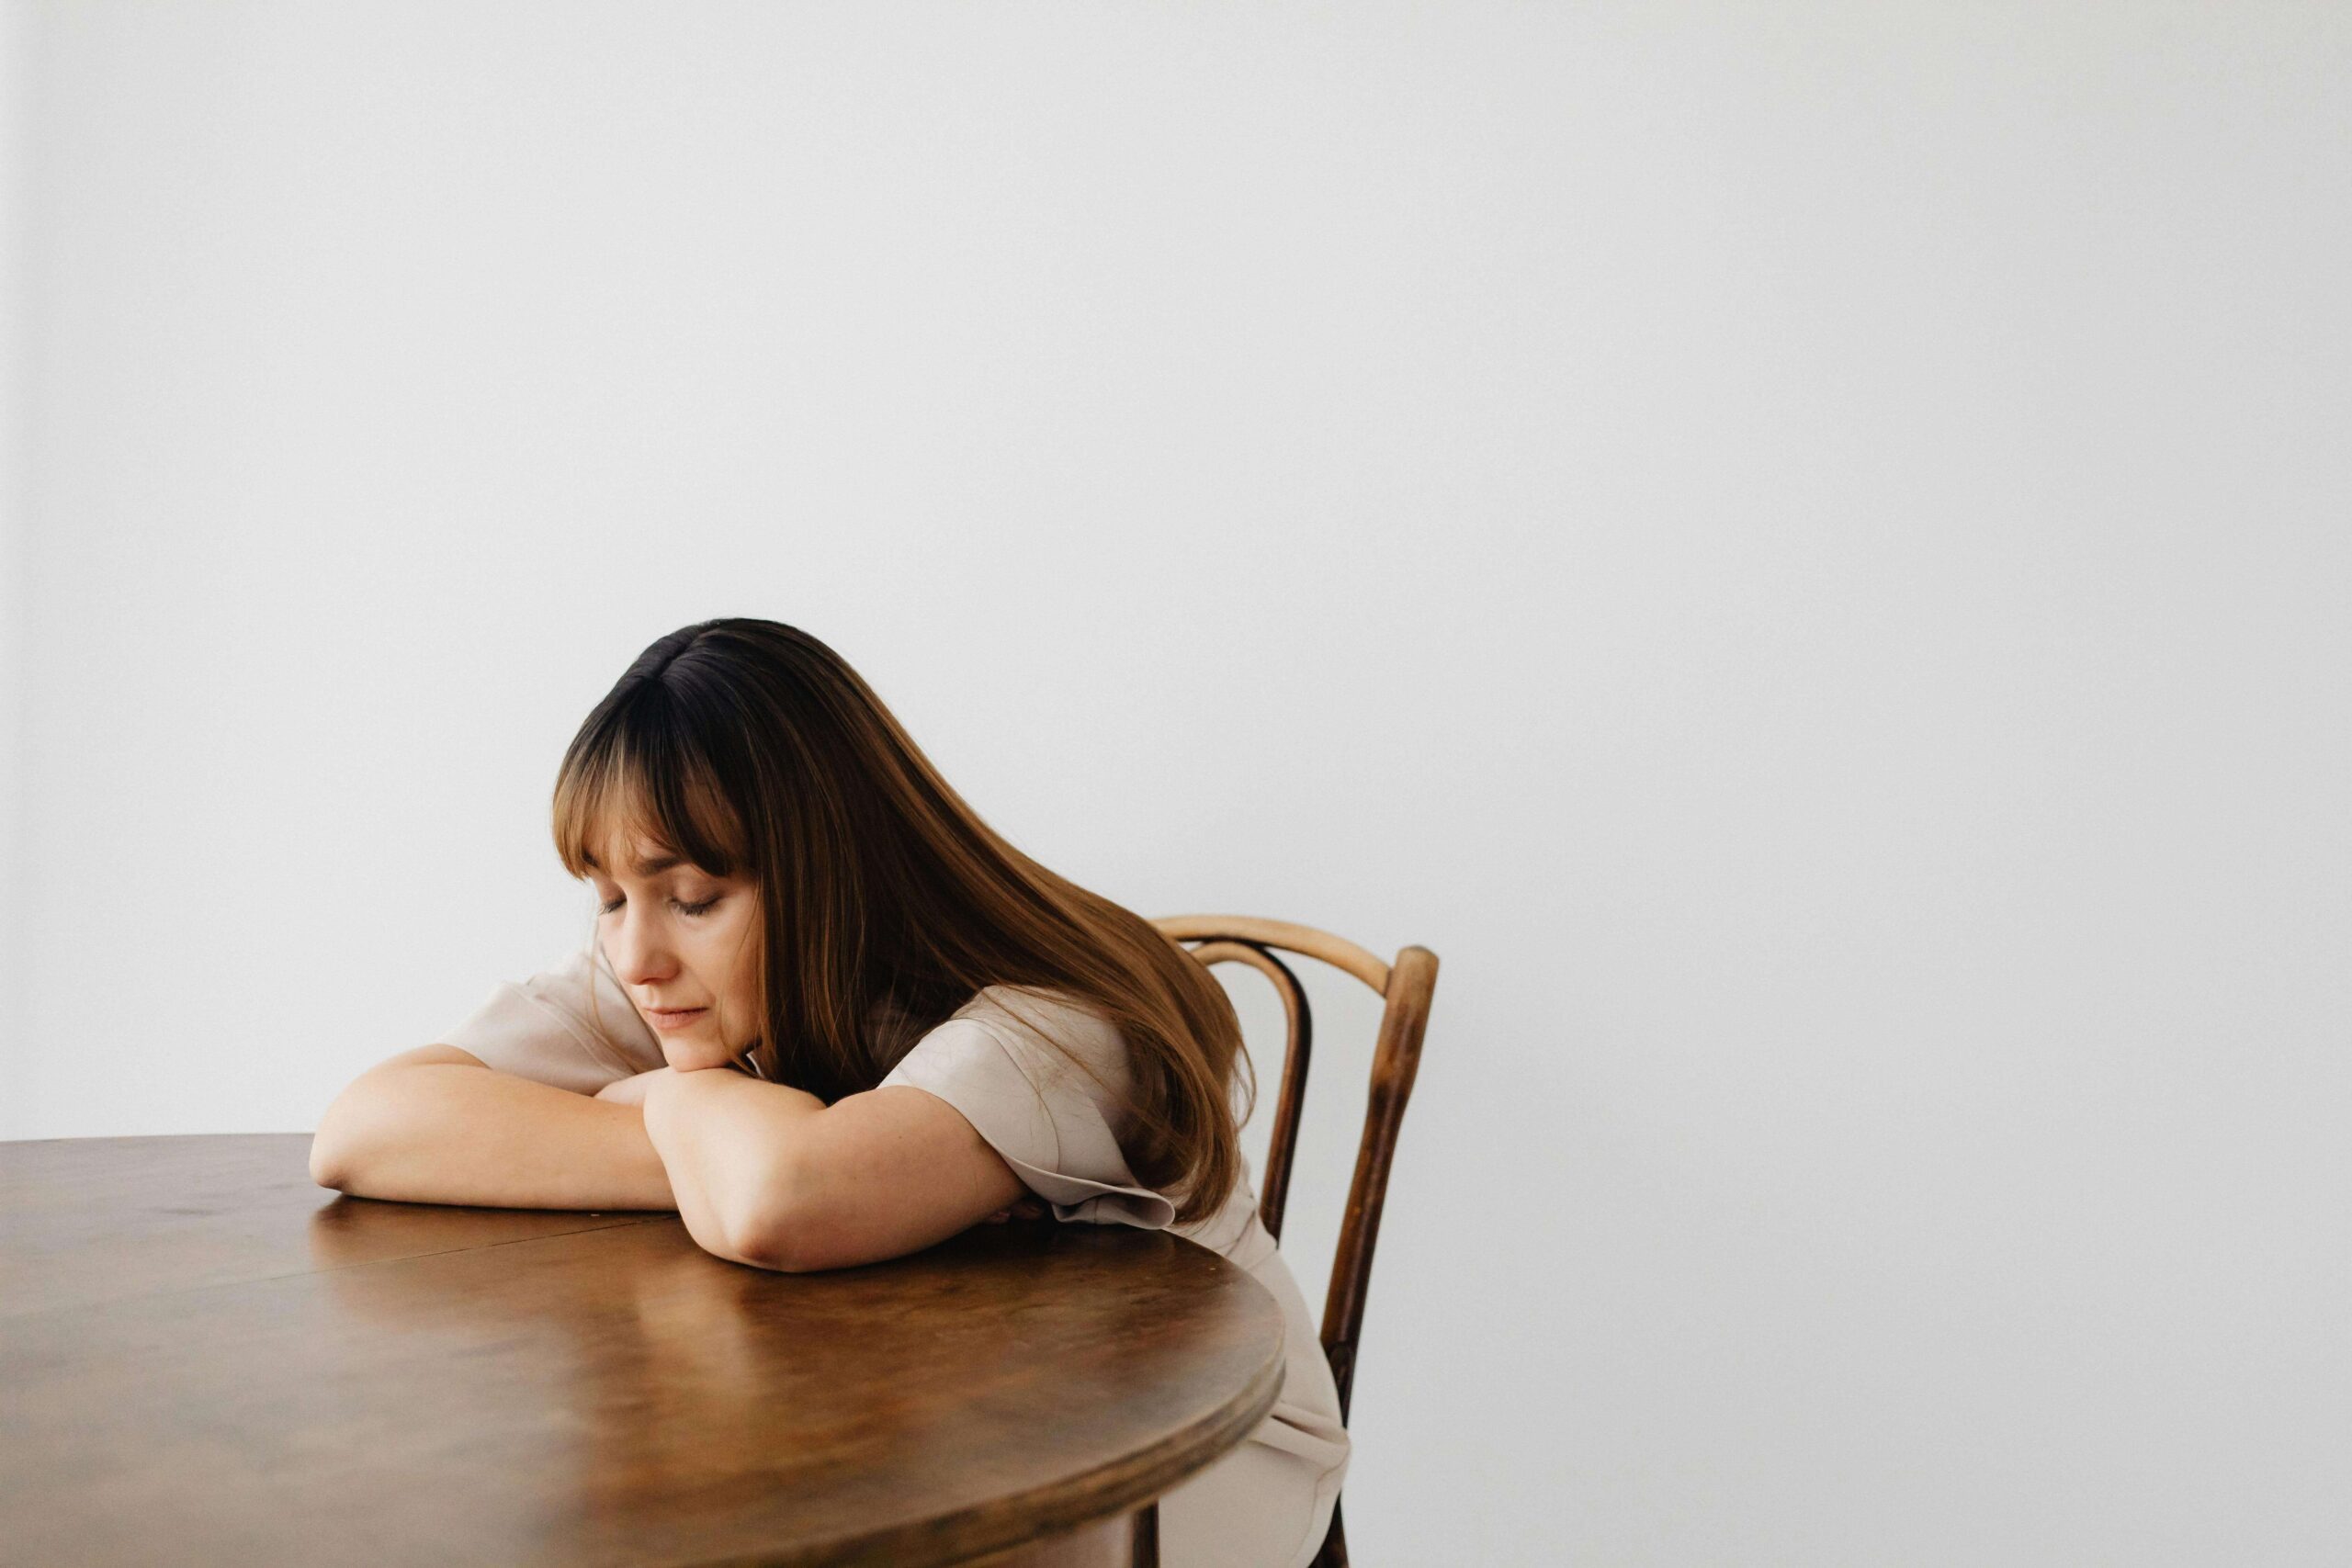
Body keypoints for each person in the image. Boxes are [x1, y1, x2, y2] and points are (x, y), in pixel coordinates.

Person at [309, 616, 1347, 1568]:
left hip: (1175, 1454)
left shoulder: (1059, 1023)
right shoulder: (692, 980)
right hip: (942, 1406)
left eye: (693, 898)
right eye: (610, 898)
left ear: (829, 867)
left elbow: (784, 1203)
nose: (635, 953)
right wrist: (703, 1151)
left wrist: (671, 1106)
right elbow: (364, 1129)